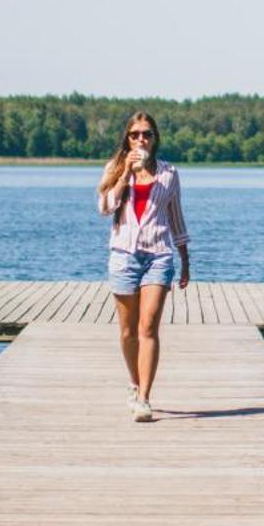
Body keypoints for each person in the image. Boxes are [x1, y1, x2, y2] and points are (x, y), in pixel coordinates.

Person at [97, 111, 190, 421]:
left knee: (148, 327)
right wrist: (125, 174)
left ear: (155, 138)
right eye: (135, 134)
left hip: (159, 256)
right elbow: (104, 207)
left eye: (146, 134)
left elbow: (175, 216)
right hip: (124, 256)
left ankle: (144, 398)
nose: (141, 139)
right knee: (128, 333)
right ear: (127, 137)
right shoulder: (114, 168)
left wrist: (185, 258)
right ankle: (134, 382)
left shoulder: (168, 173)